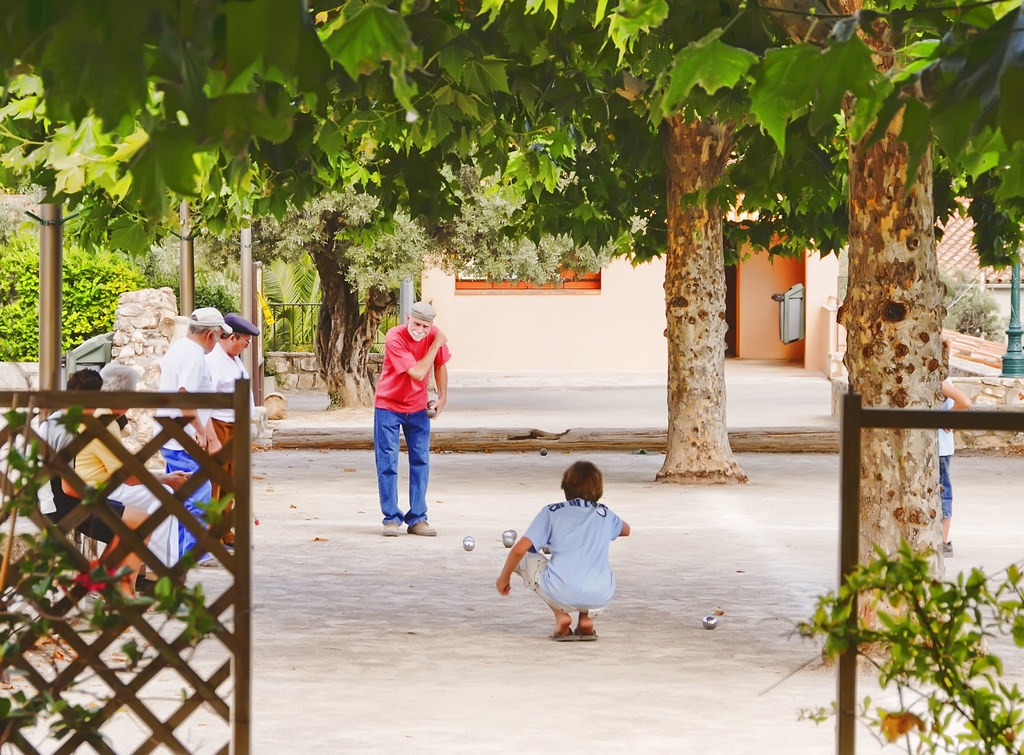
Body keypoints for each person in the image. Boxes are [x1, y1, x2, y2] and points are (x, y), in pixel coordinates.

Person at [496, 461, 630, 641]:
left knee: (525, 556)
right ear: (599, 490)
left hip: (561, 592)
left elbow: (519, 550)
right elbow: (626, 530)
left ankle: (561, 616)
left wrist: (503, 578)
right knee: (593, 563)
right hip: (601, 593)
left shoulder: (551, 512)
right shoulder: (606, 514)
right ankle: (586, 619)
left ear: (565, 487)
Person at [374, 301, 451, 537]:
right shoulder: (394, 337)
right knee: (387, 461)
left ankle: (418, 518)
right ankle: (391, 518)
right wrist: (436, 342)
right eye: (417, 324)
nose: (421, 330)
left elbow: (440, 366)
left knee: (421, 461)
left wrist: (442, 397)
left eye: (426, 326)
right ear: (408, 318)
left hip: (418, 407)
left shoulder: (433, 335)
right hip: (388, 405)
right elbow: (418, 373)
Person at [155, 307, 232, 508]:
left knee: (182, 492)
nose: (218, 342)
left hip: (171, 435)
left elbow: (161, 370)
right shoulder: (195, 356)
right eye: (220, 336)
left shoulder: (178, 348)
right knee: (198, 495)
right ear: (210, 334)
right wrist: (200, 430)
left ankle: (182, 540)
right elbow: (185, 396)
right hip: (181, 440)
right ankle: (193, 541)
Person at [205, 313, 260, 544]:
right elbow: (206, 399)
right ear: (232, 337)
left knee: (231, 481)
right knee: (215, 483)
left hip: (236, 425)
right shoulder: (213, 361)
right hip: (220, 424)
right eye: (245, 341)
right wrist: (209, 437)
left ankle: (226, 530)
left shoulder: (235, 360)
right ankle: (212, 534)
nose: (246, 346)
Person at [939, 377, 972, 556]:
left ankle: (943, 542)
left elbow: (965, 402)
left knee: (943, 492)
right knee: (943, 491)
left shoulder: (940, 379)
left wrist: (947, 418)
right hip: (940, 447)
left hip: (940, 448)